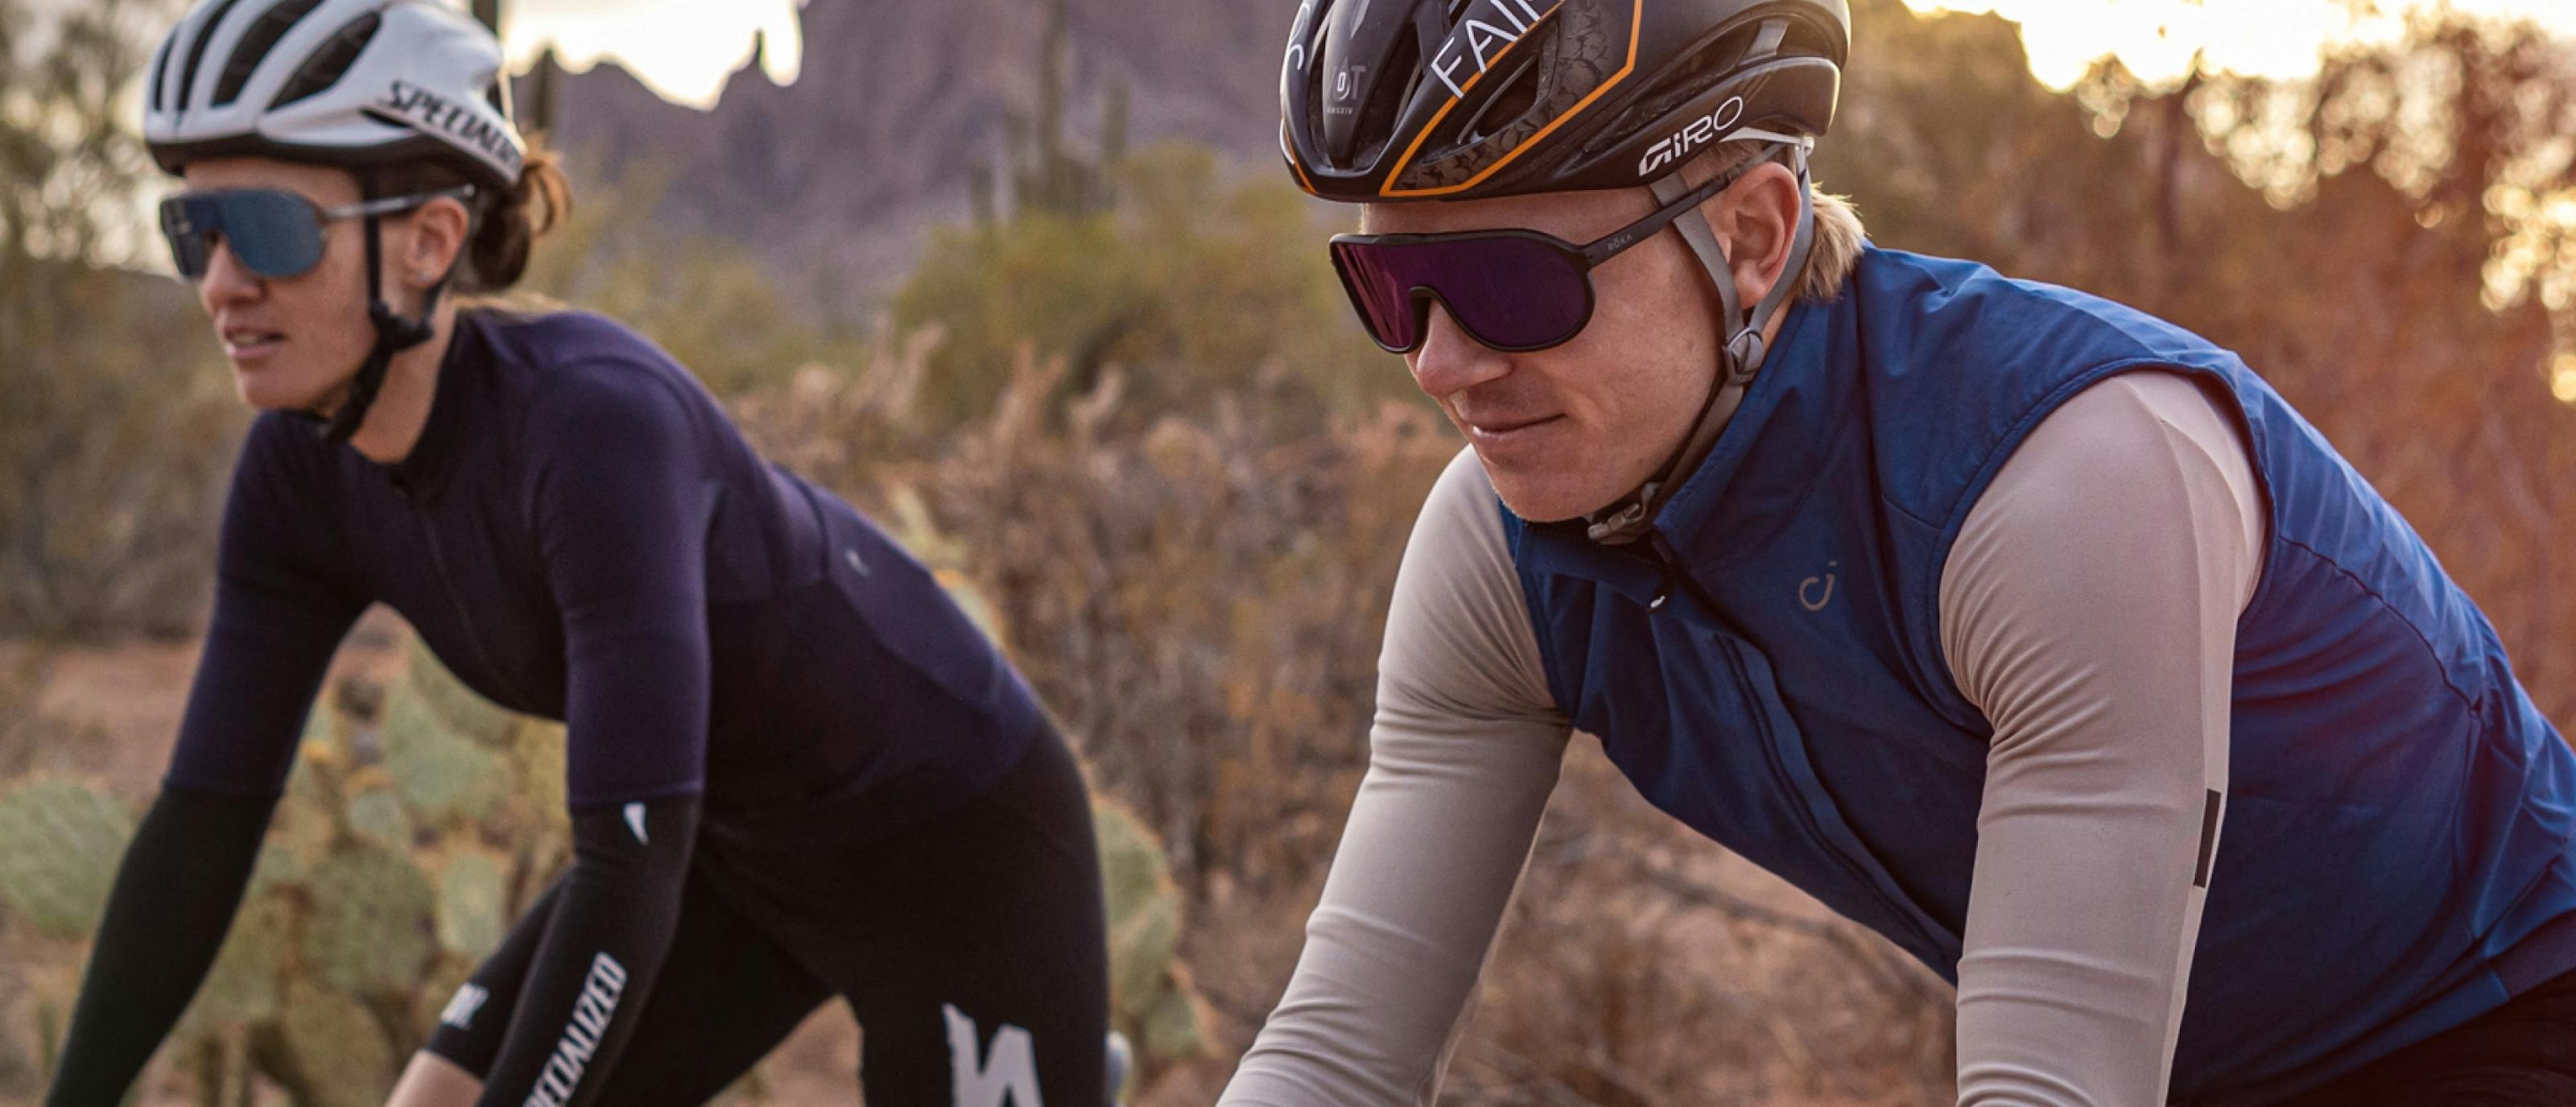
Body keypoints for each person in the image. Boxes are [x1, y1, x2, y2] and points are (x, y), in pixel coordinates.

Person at [1224, 0, 2576, 1104]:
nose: (1444, 364)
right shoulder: (1499, 552)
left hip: (2496, 1014)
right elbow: (1336, 1057)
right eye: (1392, 292)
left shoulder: (2065, 478)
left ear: (1750, 235)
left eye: (1516, 283)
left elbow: (2055, 1091)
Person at [43, 2, 1112, 1105]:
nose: (221, 282)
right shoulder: (296, 477)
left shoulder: (594, 428)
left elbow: (626, 861)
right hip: (731, 854)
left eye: (266, 229)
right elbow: (202, 828)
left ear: (429, 241)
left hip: (952, 841)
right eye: (195, 232)